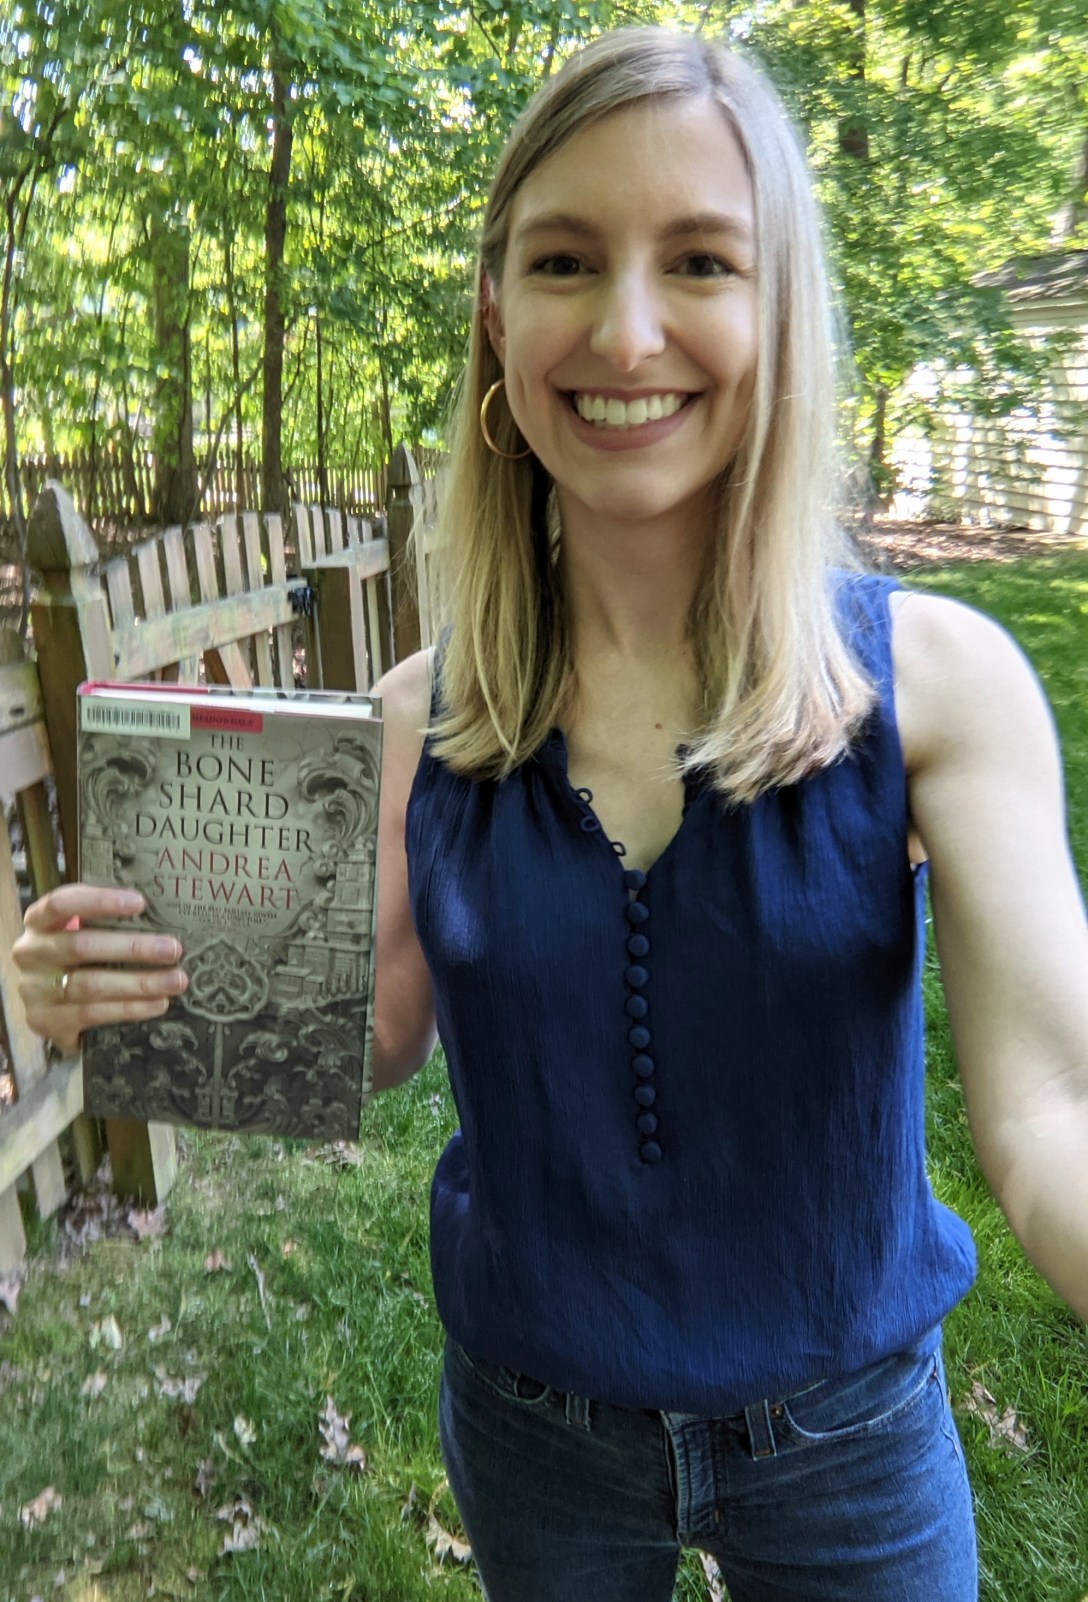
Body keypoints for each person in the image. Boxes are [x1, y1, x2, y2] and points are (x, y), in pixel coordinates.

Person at [13, 26, 1088, 1602]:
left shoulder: (935, 688)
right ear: (497, 316)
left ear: (780, 304)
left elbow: (1054, 1116)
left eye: (703, 260)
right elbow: (369, 1034)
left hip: (850, 1433)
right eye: (568, 259)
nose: (628, 326)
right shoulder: (415, 719)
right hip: (535, 1429)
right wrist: (93, 984)